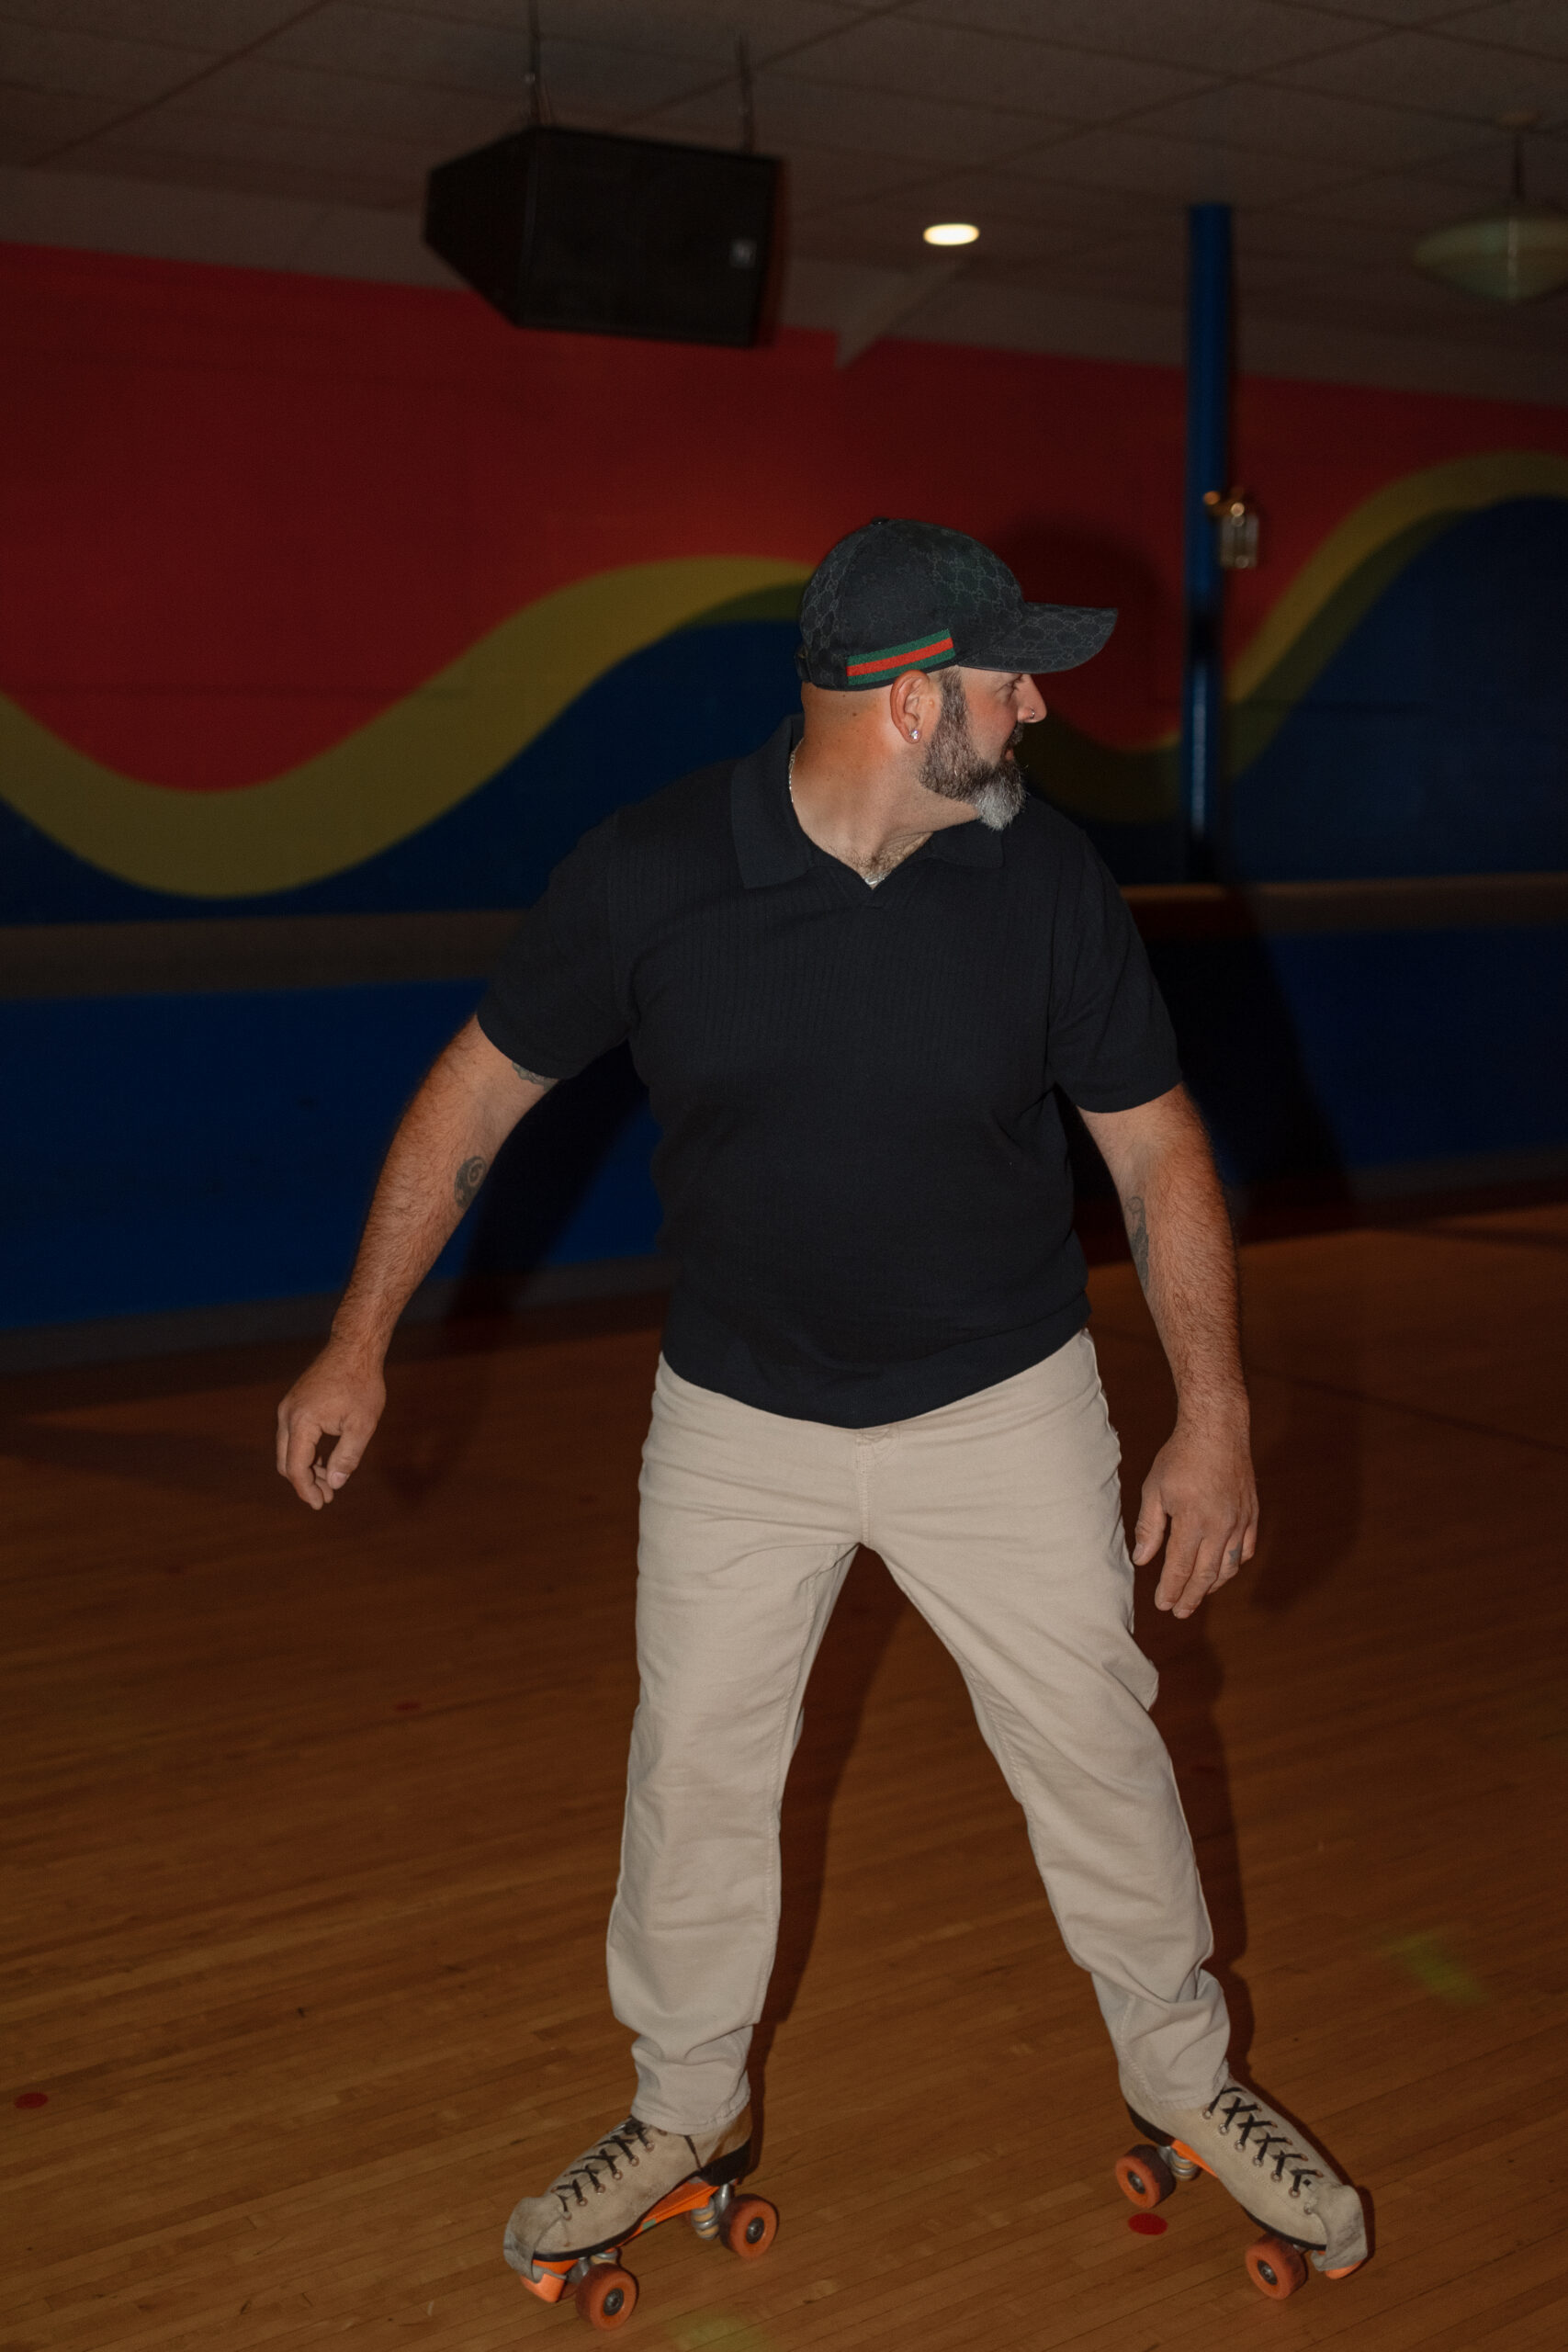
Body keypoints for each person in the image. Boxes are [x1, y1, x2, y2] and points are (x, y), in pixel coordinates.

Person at [276, 519, 1367, 2299]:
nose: (1034, 701)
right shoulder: (652, 875)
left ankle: (1184, 2069)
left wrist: (1214, 1406)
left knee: (1095, 1735)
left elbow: (1159, 1149)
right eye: (1005, 676)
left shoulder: (1044, 887)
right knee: (694, 1763)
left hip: (998, 1401)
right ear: (905, 698)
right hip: (739, 1416)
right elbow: (472, 1094)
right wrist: (355, 1336)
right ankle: (684, 2099)